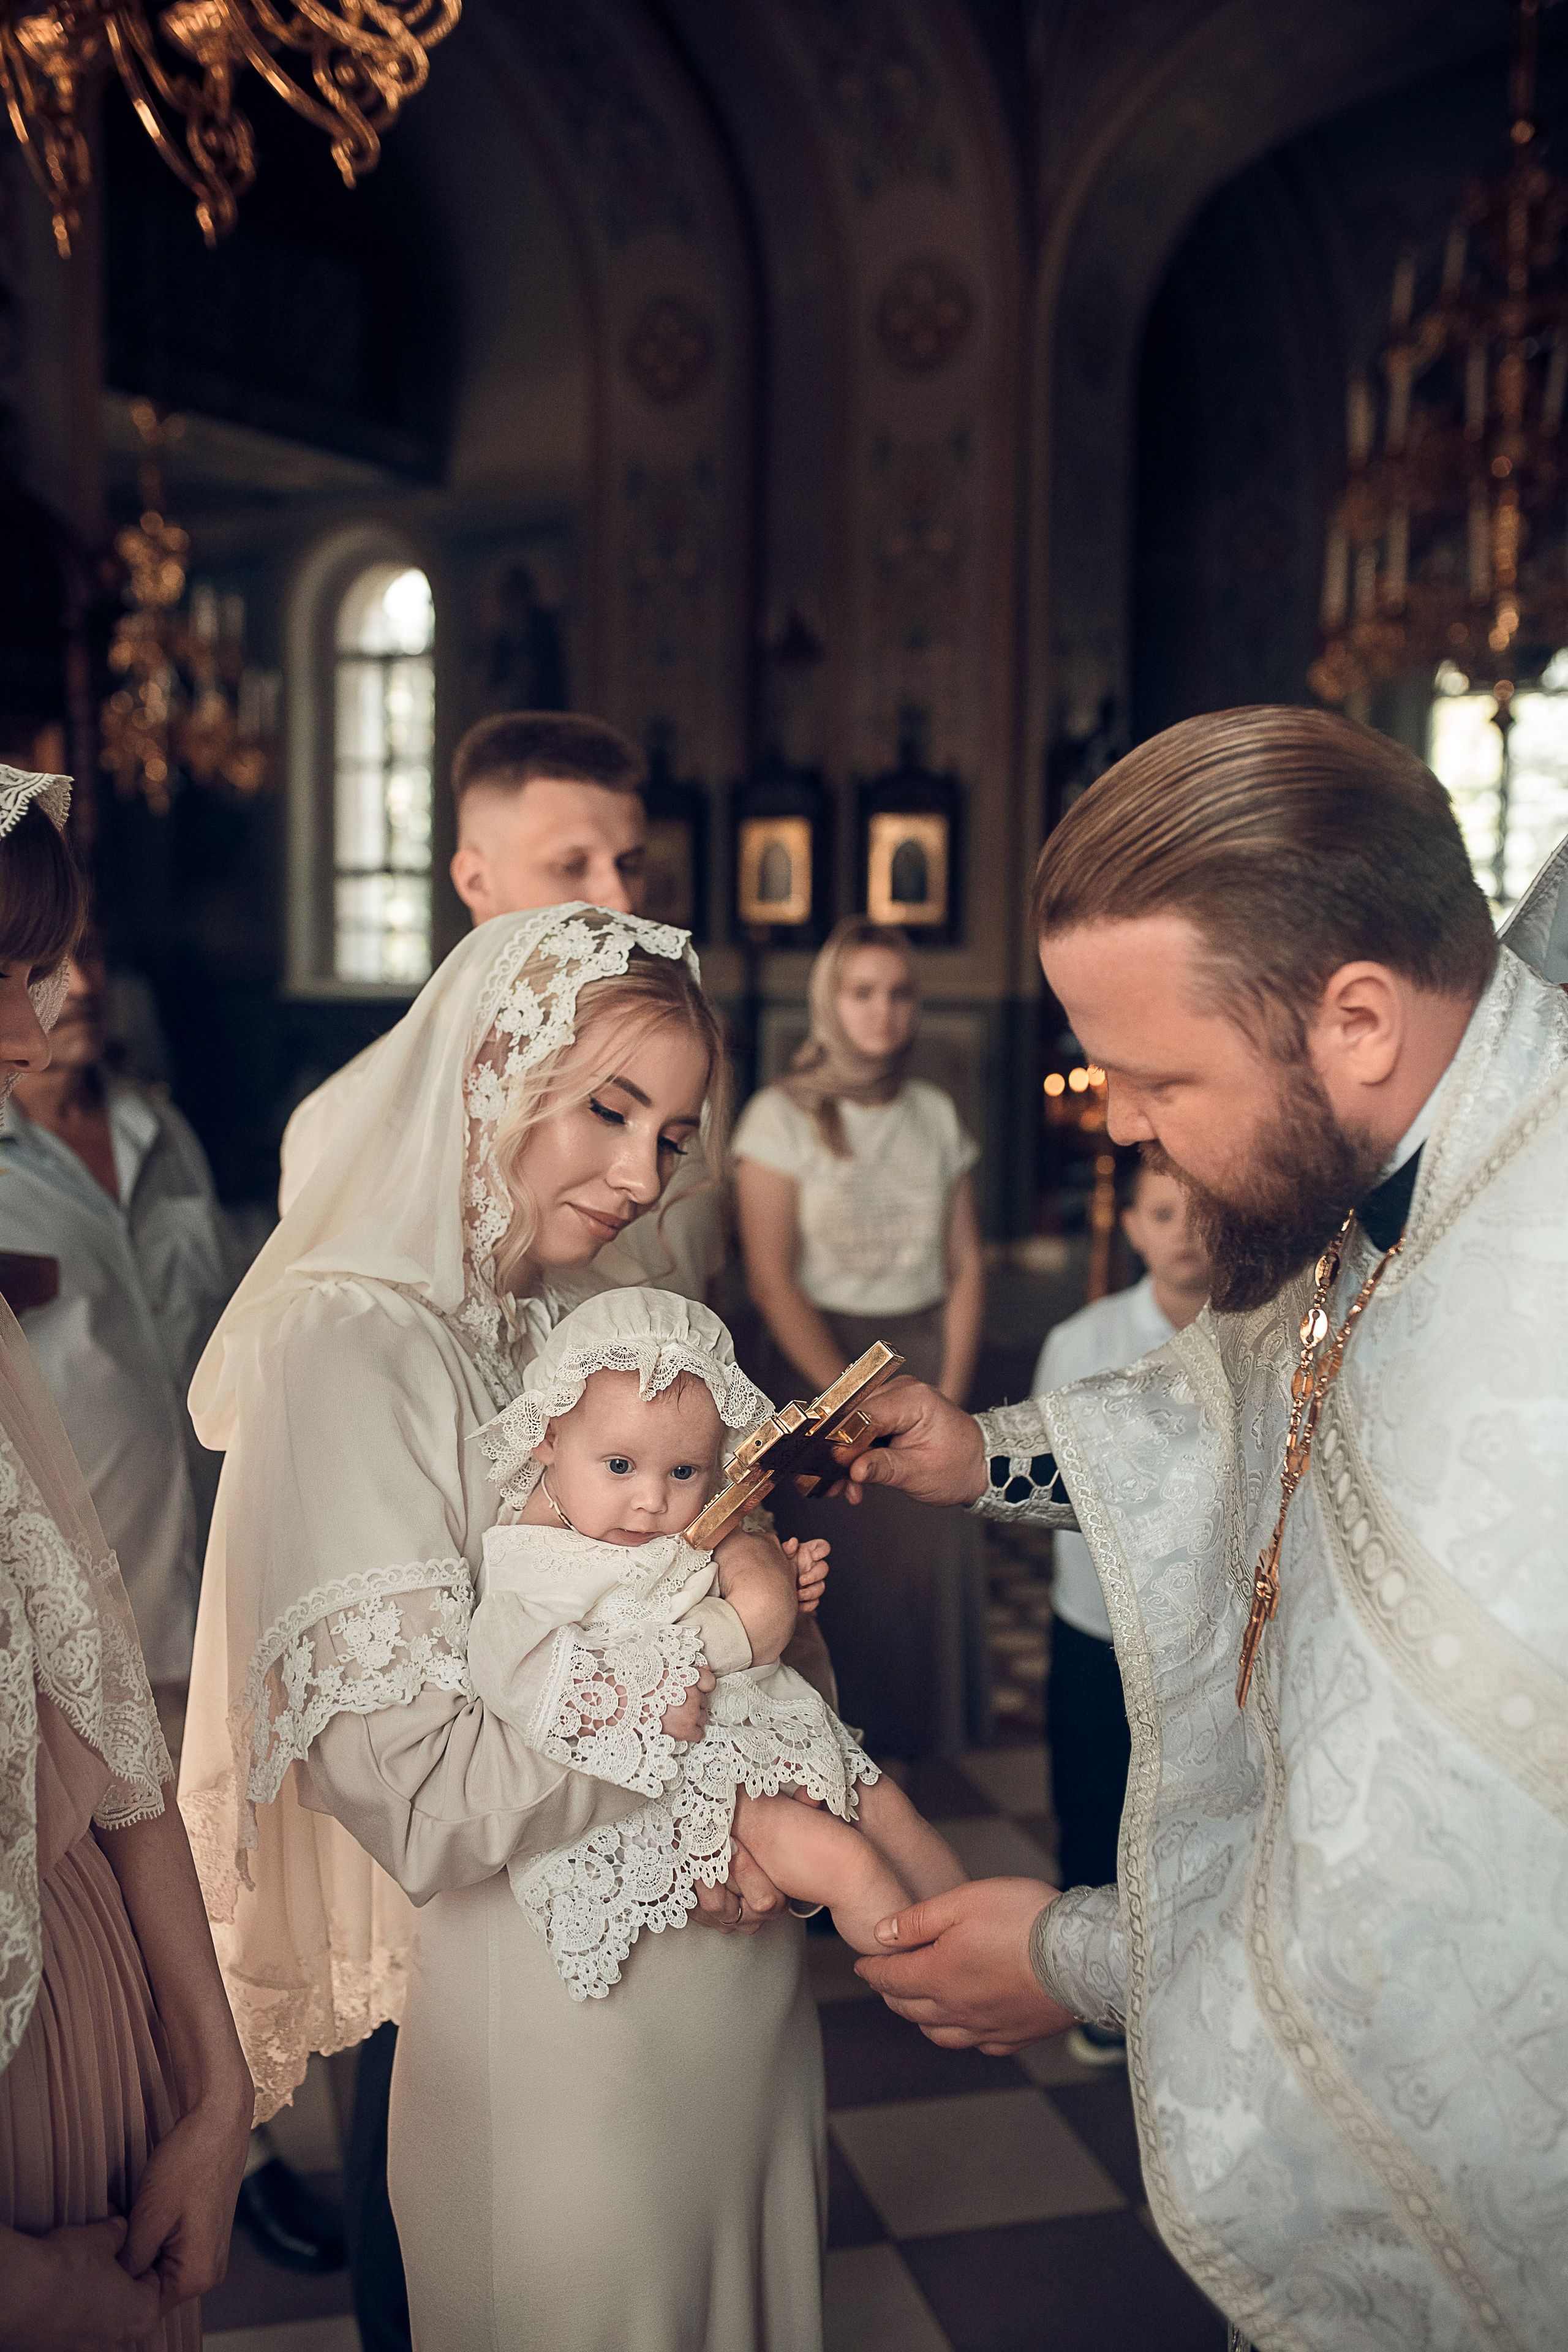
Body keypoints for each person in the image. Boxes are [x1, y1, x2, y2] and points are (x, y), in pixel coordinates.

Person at [842, 710, 1567, 2352]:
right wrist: (991, 1459)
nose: (1118, 1127)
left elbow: (1420, 1909)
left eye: (1160, 1079)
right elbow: (1254, 1402)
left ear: (1359, 1019)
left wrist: (1074, 1956)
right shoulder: (1417, 1141)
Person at [179, 902, 837, 2351]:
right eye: (609, 1108)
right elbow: (417, 1786)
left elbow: (755, 1606)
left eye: (670, 1134)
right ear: (487, 1069)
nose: (636, 1173)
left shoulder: (590, 1321)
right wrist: (720, 1709)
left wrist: (782, 1758)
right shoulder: (345, 1341)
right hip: (561, 2026)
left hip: (733, 1980)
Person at [0, 767, 252, 2352]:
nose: (31, 1030)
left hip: (91, 1972)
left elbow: (87, 1666)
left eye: (47, 968)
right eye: (3, 973)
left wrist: (215, 2091)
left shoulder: (163, 1139)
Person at [469, 1287, 965, 1996]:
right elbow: (513, 1668)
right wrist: (638, 1697)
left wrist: (776, 1583)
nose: (650, 1499)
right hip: (696, 1772)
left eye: (683, 1472)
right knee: (844, 1865)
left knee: (889, 1807)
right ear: (548, 1437)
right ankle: (939, 1989)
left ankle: (973, 1939)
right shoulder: (533, 1557)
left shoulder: (658, 1523)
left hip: (768, 1716)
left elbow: (702, 1581)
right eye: (619, 1466)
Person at [280, 709, 720, 1303]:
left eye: (631, 865)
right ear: (475, 881)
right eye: (572, 866)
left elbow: (686, 1302)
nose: (619, 899)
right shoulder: (344, 1117)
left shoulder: (673, 1086)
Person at [733, 917, 987, 1757]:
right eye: (862, 991)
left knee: (920, 1580)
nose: (883, 1011)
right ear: (829, 1002)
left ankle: (909, 1773)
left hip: (923, 1357)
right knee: (838, 1583)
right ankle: (832, 1773)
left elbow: (964, 1264)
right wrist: (849, 1402)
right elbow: (771, 1279)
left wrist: (947, 1383)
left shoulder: (934, 1112)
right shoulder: (779, 1117)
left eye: (900, 992)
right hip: (820, 1371)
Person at [0, 943, 233, 1746]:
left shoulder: (161, 1128)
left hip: (220, 1608)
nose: (89, 984)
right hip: (71, 1646)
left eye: (93, 954)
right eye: (42, 965)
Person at [1030, 1161, 1210, 2065]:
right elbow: (1042, 1467)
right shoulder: (1086, 1337)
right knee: (1097, 1794)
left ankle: (1191, 1980)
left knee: (1190, 1800)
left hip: (1206, 1628)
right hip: (1099, 1620)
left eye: (1202, 1211)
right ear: (1132, 1226)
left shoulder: (1256, 1333)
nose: (1185, 1231)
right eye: (1163, 1212)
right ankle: (1099, 1993)